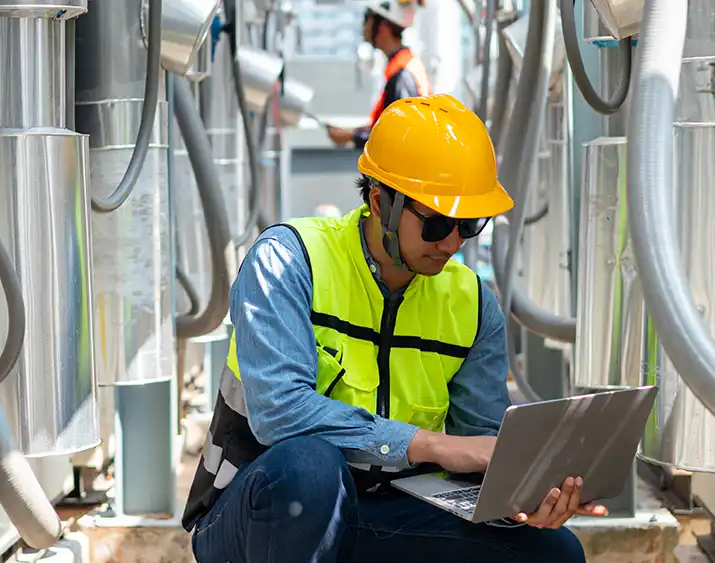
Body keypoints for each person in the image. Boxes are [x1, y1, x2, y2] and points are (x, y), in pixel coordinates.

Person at [182, 94, 606, 563]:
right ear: (381, 201)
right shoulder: (288, 261)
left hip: (386, 514)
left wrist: (525, 498)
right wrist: (433, 446)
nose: (451, 242)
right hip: (258, 515)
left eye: (468, 225)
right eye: (438, 222)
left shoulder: (472, 304)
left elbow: (481, 453)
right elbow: (280, 412)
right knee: (310, 467)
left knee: (553, 554)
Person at [326, 0, 431, 149]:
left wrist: (351, 137)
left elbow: (397, 137)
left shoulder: (402, 75)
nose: (363, 26)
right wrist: (354, 132)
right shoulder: (404, 65)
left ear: (382, 25)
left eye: (367, 18)